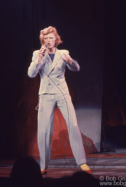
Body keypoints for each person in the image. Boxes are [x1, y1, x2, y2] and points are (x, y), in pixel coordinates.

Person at [28, 26, 91, 174]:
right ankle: (43, 165)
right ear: (43, 41)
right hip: (46, 94)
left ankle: (82, 162)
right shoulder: (37, 54)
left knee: (73, 125)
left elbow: (76, 68)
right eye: (46, 39)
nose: (48, 41)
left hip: (62, 94)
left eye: (51, 38)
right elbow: (31, 74)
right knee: (44, 130)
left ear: (56, 39)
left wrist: (70, 61)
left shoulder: (64, 53)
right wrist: (39, 59)